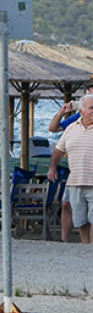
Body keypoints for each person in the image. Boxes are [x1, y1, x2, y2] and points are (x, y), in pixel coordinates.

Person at [48, 95, 93, 244]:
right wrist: (52, 168)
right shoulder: (71, 128)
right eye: (91, 108)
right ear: (80, 110)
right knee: (81, 220)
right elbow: (58, 150)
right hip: (75, 181)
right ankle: (86, 246)